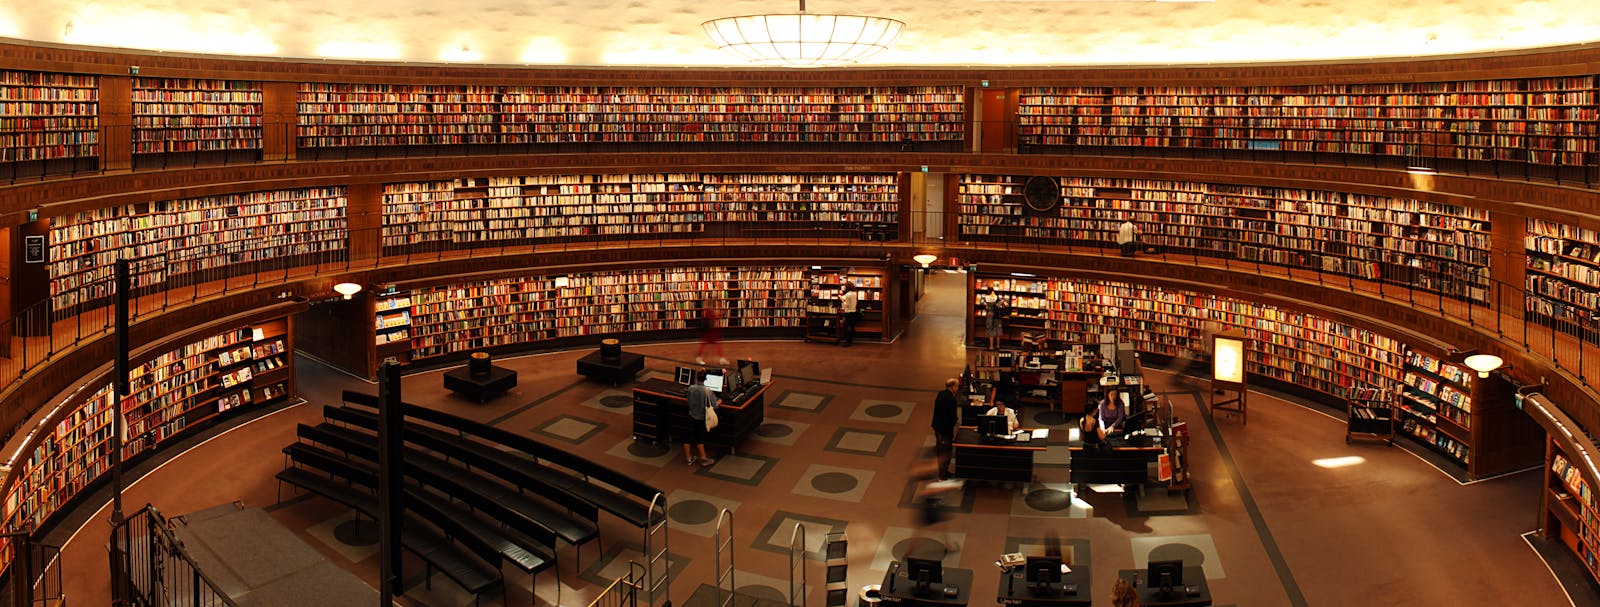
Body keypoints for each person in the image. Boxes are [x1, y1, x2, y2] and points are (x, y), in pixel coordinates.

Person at [683, 371, 718, 467]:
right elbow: (714, 405)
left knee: (687, 437)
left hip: (691, 416)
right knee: (700, 438)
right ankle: (703, 457)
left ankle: (688, 459)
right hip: (701, 418)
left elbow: (688, 401)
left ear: (696, 378)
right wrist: (720, 401)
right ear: (706, 379)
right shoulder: (708, 391)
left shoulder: (691, 388)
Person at [932, 377, 960, 479]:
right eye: (957, 386)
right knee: (945, 452)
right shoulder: (951, 399)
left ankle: (942, 472)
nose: (957, 388)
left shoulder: (940, 394)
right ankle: (943, 475)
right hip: (945, 430)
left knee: (940, 450)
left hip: (938, 428)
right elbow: (953, 417)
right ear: (952, 387)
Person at [695, 296, 729, 366]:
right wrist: (720, 314)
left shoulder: (707, 310)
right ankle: (699, 358)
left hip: (711, 331)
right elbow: (712, 318)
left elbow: (713, 317)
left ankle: (700, 358)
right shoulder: (708, 311)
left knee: (709, 344)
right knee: (712, 344)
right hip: (710, 331)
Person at [839, 281, 860, 347]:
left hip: (848, 312)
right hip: (854, 312)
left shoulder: (848, 295)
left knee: (846, 326)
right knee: (852, 326)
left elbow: (846, 305)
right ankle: (851, 339)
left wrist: (842, 300)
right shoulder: (854, 293)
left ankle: (848, 341)